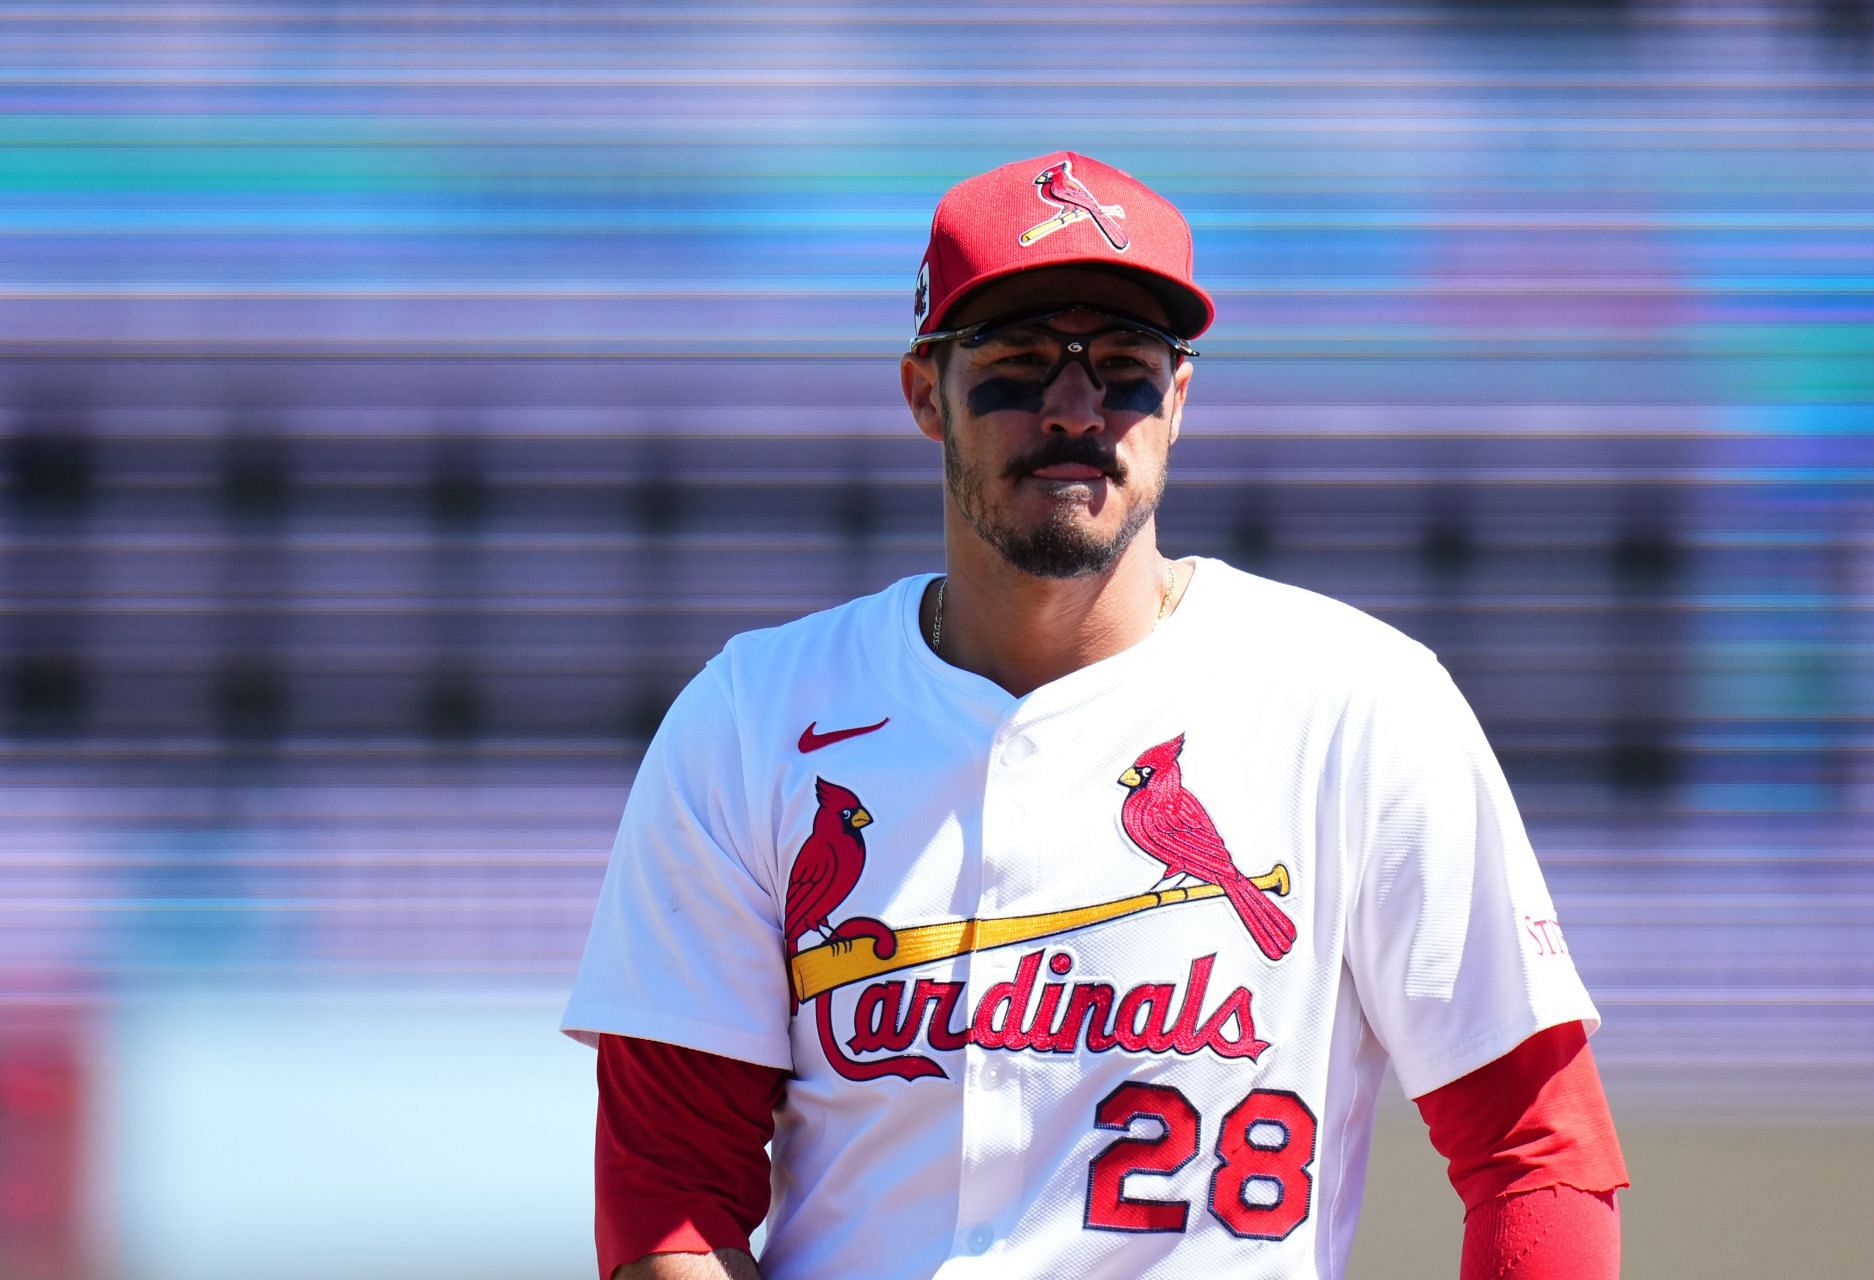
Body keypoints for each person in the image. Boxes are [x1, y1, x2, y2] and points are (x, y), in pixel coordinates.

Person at [563, 151, 1629, 1280]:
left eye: (1122, 368)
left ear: (1178, 399)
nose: (1075, 409)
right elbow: (672, 1186)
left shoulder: (1357, 702)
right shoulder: (754, 715)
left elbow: (1538, 1150)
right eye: (1020, 366)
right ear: (926, 391)